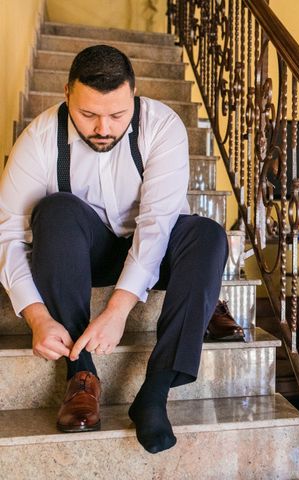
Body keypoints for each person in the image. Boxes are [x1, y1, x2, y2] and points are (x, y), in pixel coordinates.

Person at [0, 45, 228, 454]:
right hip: (88, 252)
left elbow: (156, 226)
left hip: (153, 253)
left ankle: (155, 392)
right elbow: (7, 236)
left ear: (134, 95)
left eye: (117, 115)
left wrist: (118, 309)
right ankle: (81, 374)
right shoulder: (38, 138)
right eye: (88, 115)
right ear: (67, 93)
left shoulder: (163, 127)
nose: (103, 127)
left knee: (208, 235)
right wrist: (36, 317)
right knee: (55, 210)